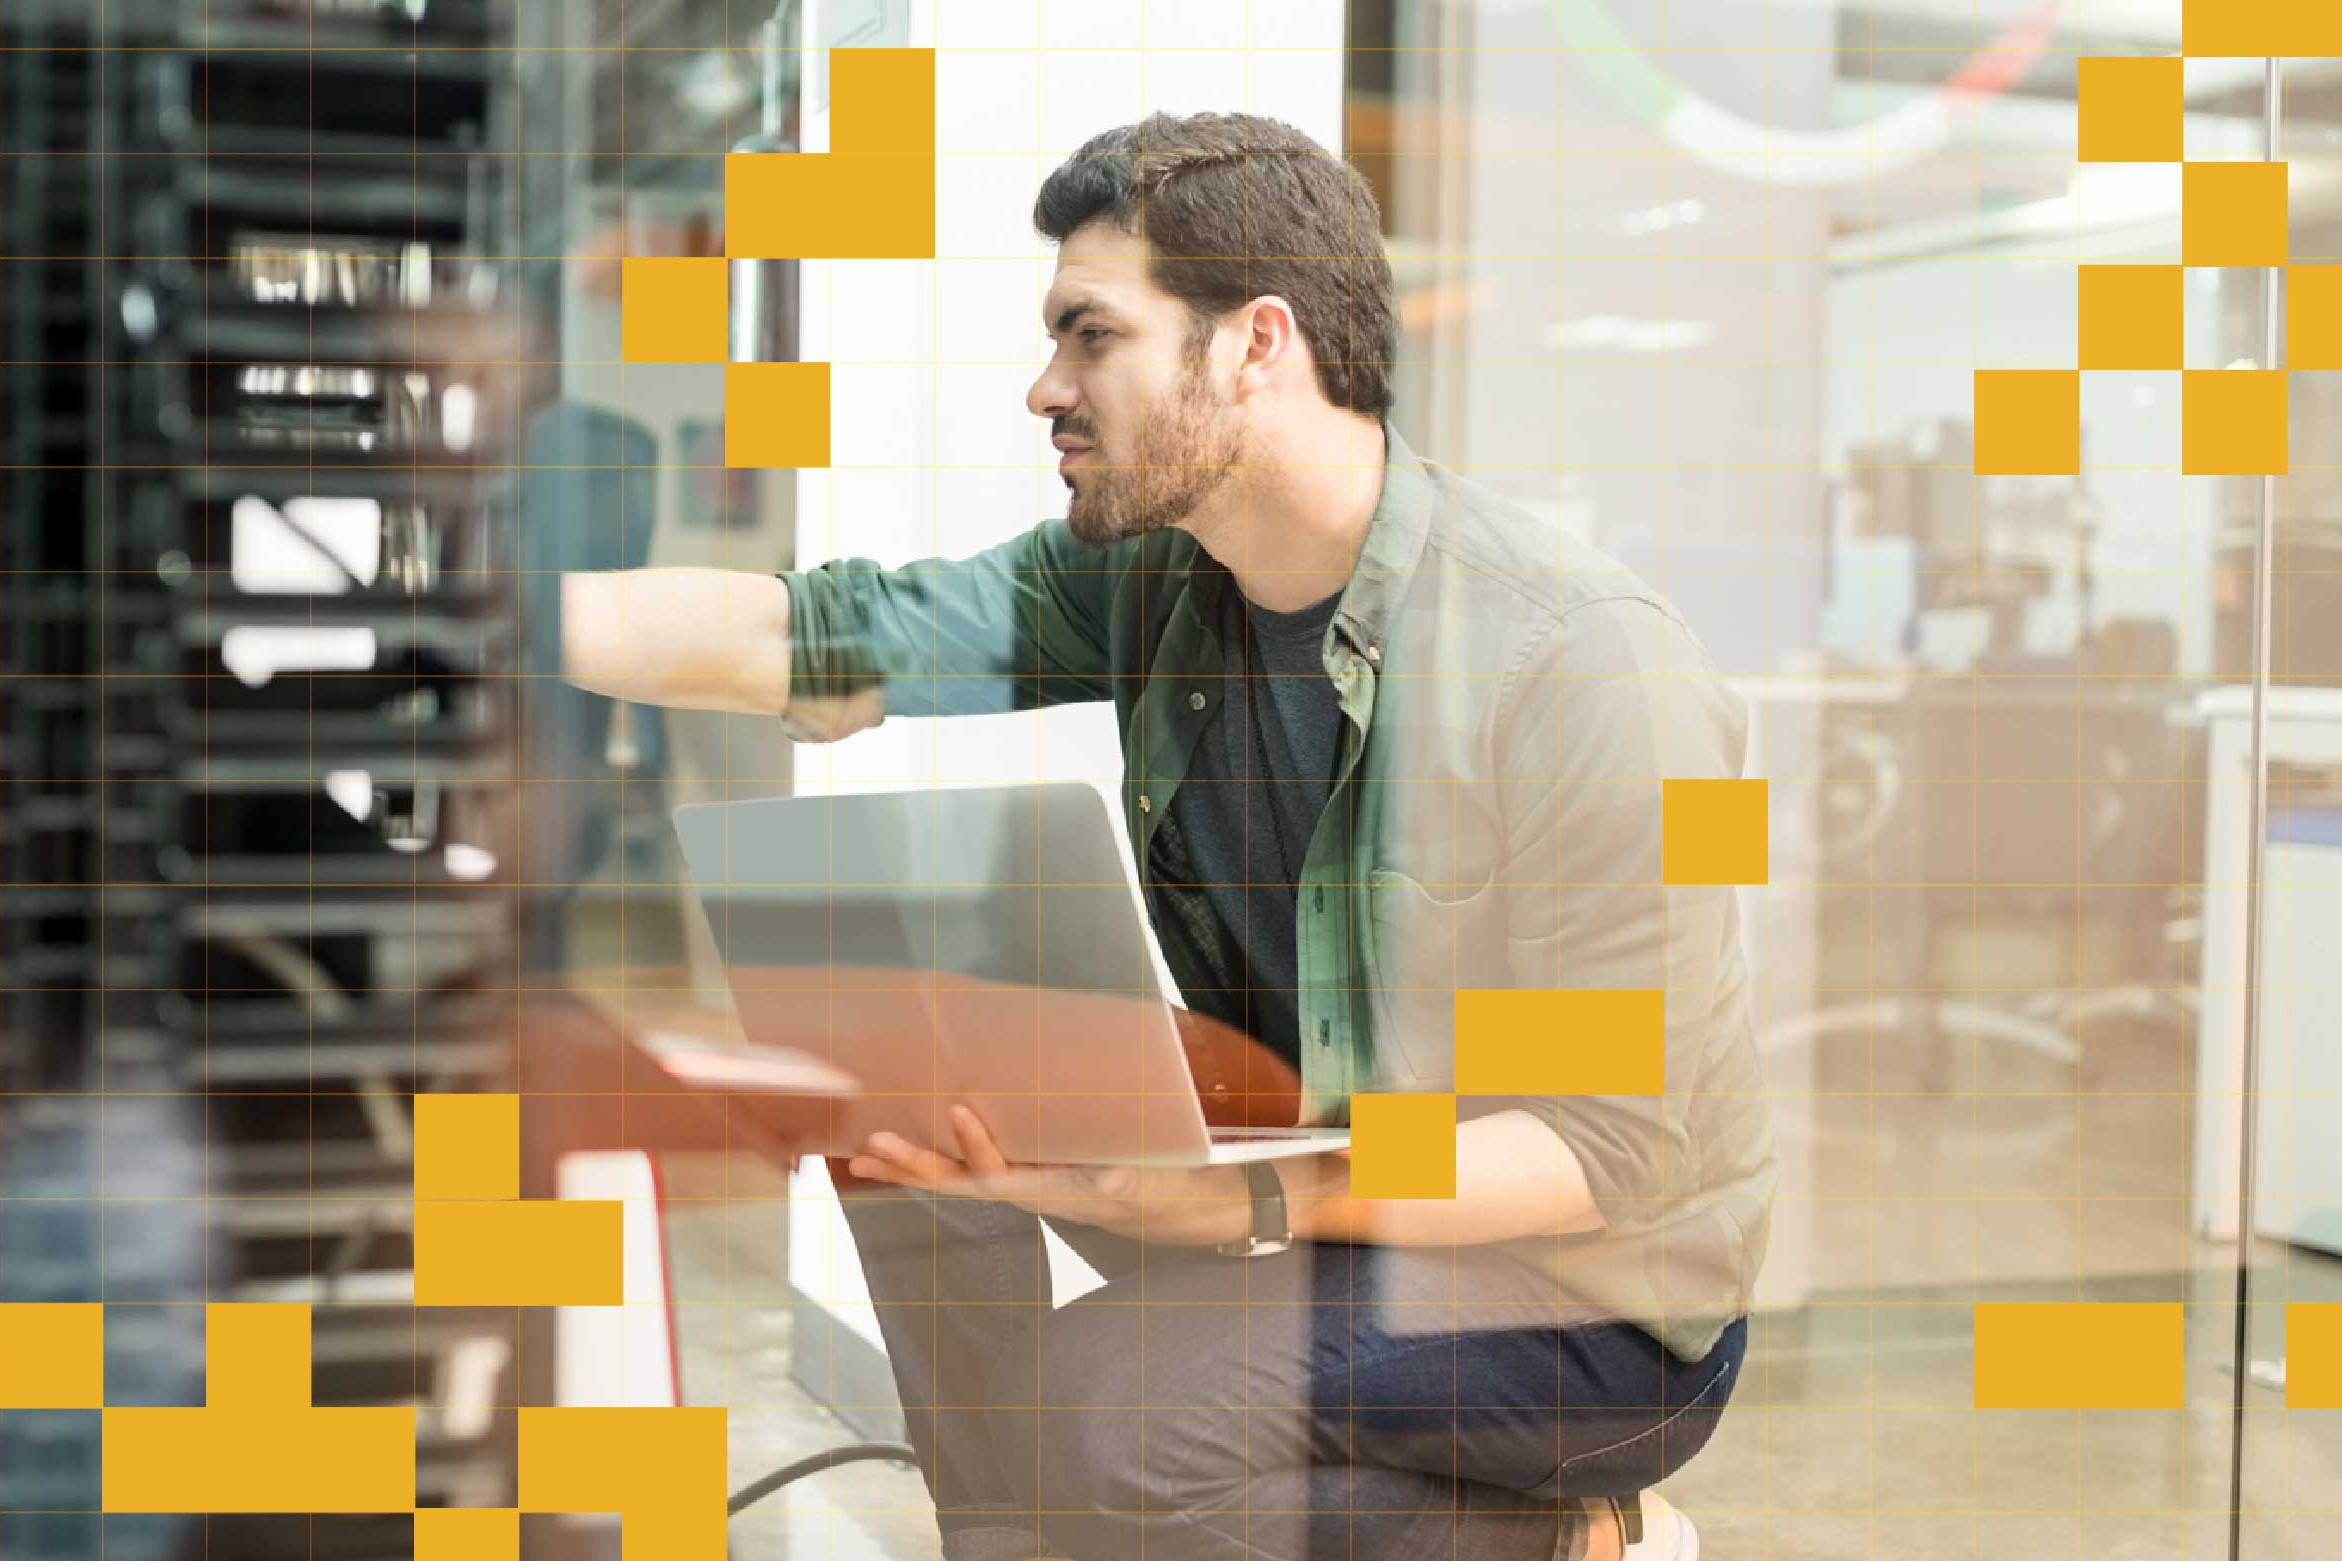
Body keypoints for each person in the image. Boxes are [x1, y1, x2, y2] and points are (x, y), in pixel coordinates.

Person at [562, 111, 1772, 1561]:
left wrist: (1241, 1207)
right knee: (907, 1125)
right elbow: (818, 632)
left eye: (1091, 336)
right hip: (1319, 1159)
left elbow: (1611, 1148)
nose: (1044, 388)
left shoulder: (1584, 663)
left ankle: (1584, 1533)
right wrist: (476, 620)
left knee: (1113, 1409)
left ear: (1255, 343)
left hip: (1586, 1291)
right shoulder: (1152, 580)